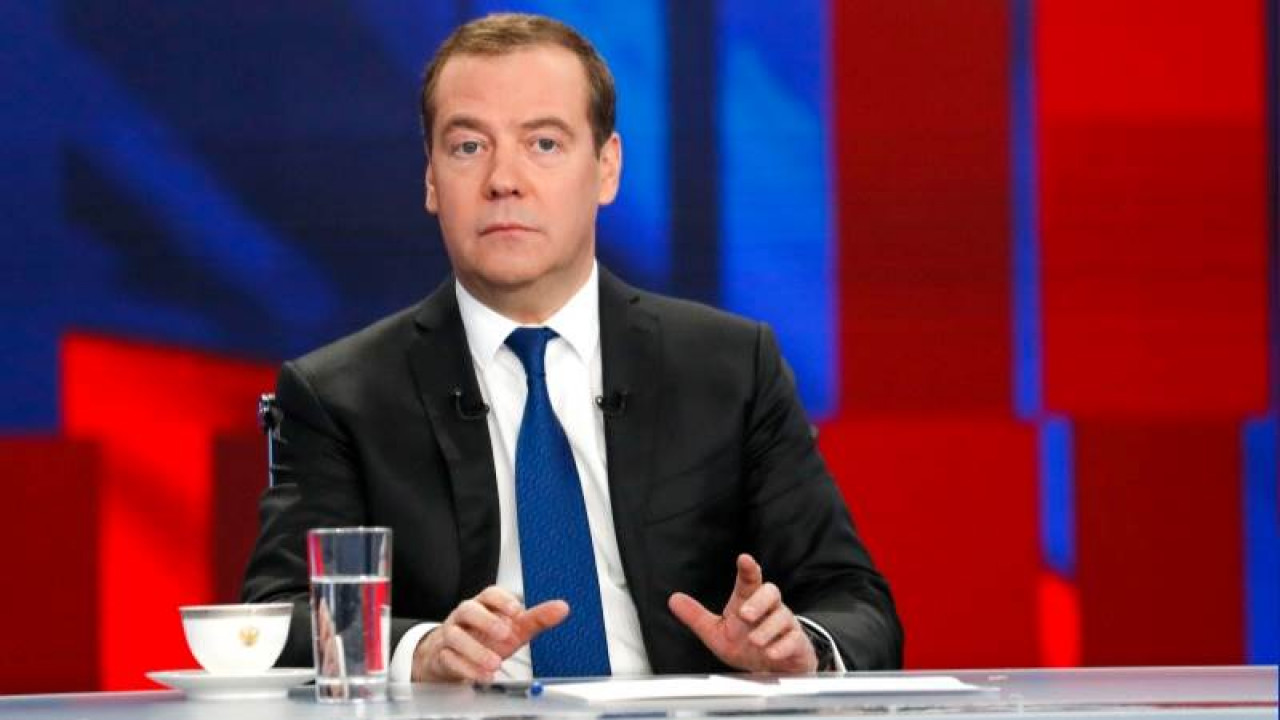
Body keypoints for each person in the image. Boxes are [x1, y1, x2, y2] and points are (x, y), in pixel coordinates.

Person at [242, 12, 901, 683]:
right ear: (432, 180)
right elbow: (274, 620)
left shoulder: (730, 368)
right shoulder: (342, 395)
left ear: (607, 168)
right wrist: (420, 651)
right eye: (468, 146)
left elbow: (855, 602)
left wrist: (802, 647)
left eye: (544, 143)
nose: (504, 179)